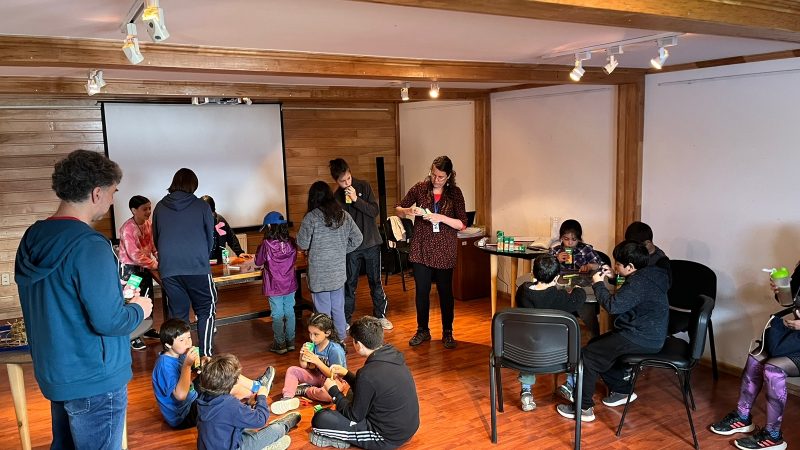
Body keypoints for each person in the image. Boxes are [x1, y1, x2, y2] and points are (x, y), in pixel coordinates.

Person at [15, 149, 153, 449]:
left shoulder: (32, 238)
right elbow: (111, 321)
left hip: (57, 372)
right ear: (96, 193)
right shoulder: (90, 245)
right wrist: (140, 309)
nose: (113, 200)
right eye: (113, 192)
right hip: (95, 377)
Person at [556, 240, 669, 422]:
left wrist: (598, 283)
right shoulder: (651, 275)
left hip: (640, 337)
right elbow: (633, 293)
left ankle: (583, 408)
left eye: (617, 264)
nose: (614, 266)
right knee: (596, 346)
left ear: (630, 266)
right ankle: (622, 391)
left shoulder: (638, 283)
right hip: (651, 334)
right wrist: (614, 278)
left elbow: (613, 306)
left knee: (589, 355)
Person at [708, 271, 800, 450]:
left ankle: (773, 436)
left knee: (773, 369)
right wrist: (781, 291)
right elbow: (788, 303)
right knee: (755, 358)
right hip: (795, 338)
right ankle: (742, 417)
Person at [309, 316, 420, 449]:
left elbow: (354, 416)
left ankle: (341, 439)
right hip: (407, 428)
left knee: (320, 419)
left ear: (359, 345)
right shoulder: (393, 355)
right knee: (352, 392)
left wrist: (333, 391)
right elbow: (371, 386)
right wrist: (347, 374)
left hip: (386, 437)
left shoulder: (367, 374)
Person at [152, 318, 277, 429]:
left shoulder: (176, 354)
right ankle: (257, 401)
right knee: (230, 385)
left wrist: (202, 363)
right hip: (183, 415)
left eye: (189, 337)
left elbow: (189, 374)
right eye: (181, 340)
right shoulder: (164, 366)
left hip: (191, 397)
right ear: (168, 344)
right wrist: (187, 366)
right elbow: (180, 396)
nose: (188, 343)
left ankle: (258, 387)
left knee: (221, 371)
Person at [396, 155, 467, 349]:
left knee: (445, 292)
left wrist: (440, 217)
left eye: (441, 177)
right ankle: (422, 330)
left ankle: (447, 331)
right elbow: (398, 208)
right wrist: (408, 211)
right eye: (434, 175)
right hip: (421, 247)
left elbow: (462, 223)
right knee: (422, 291)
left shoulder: (455, 194)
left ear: (449, 176)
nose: (436, 179)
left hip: (445, 248)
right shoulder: (420, 188)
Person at [152, 168, 217, 356]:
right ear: (193, 185)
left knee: (178, 316)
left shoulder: (160, 206)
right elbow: (209, 238)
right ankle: (205, 357)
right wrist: (201, 257)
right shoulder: (201, 206)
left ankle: (181, 360)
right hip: (197, 267)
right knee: (206, 309)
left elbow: (156, 237)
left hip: (169, 269)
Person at [515, 254, 586, 412]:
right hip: (556, 353)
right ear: (557, 278)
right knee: (575, 348)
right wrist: (578, 289)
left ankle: (526, 391)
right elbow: (577, 300)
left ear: (533, 274)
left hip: (526, 350)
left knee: (530, 345)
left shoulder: (522, 291)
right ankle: (570, 384)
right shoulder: (558, 297)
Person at [329, 158, 393, 330]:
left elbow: (374, 211)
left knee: (375, 281)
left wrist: (356, 199)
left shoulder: (363, 186)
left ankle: (380, 315)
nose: (346, 183)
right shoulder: (336, 197)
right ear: (336, 181)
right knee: (349, 283)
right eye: (342, 181)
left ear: (350, 173)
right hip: (351, 247)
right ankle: (346, 320)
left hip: (371, 242)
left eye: (348, 178)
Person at [297, 181, 363, 340]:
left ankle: (325, 345)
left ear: (313, 198)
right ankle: (340, 341)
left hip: (319, 275)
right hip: (338, 273)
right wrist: (340, 251)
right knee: (338, 309)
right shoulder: (343, 215)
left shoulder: (311, 218)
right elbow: (358, 238)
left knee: (322, 313)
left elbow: (302, 243)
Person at [196, 353, 301, 450]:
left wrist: (247, 403)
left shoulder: (203, 397)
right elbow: (260, 420)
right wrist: (262, 396)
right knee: (276, 429)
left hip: (214, 444)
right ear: (230, 385)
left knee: (245, 427)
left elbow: (226, 415)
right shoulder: (230, 405)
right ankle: (283, 425)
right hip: (234, 447)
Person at [271, 313, 348, 415]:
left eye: (316, 334)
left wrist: (316, 361)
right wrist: (302, 356)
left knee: (329, 396)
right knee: (292, 370)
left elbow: (335, 375)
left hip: (335, 380)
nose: (312, 337)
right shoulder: (314, 344)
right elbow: (305, 366)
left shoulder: (335, 350)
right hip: (318, 375)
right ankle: (287, 398)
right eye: (310, 333)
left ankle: (305, 390)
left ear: (327, 333)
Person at [118, 194, 160, 350]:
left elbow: (153, 246)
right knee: (132, 300)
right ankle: (133, 335)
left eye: (149, 208)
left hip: (145, 267)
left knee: (147, 297)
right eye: (145, 209)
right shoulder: (127, 228)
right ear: (134, 210)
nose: (148, 211)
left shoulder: (148, 224)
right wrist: (155, 264)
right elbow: (134, 255)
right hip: (131, 270)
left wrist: (158, 257)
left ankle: (148, 328)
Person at [254, 211, 298, 354]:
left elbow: (258, 261)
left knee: (277, 314)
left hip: (274, 285)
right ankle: (291, 341)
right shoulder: (291, 241)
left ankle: (280, 344)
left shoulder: (266, 244)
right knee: (290, 312)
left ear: (269, 227)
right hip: (290, 283)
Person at [200, 194, 253, 263]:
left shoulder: (220, 220)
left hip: (218, 259)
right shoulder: (196, 223)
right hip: (202, 261)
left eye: (211, 214)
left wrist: (239, 252)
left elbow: (231, 237)